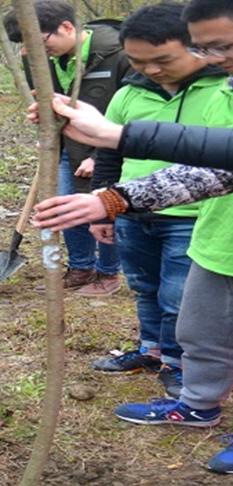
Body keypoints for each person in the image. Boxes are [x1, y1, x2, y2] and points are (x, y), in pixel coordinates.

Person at [31, 0, 233, 475]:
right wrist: (112, 201)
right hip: (221, 239)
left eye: (222, 45)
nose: (216, 57)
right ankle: (196, 404)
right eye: (207, 47)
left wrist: (117, 135)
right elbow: (218, 170)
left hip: (197, 227)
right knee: (197, 329)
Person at [87, 2, 227, 399]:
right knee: (145, 287)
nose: (151, 69)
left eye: (162, 59)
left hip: (193, 214)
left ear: (194, 45)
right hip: (134, 210)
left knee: (178, 296)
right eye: (138, 61)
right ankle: (151, 350)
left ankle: (179, 363)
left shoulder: (221, 89)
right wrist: (105, 205)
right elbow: (109, 152)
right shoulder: (130, 91)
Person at [4, 0, 132, 296]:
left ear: (67, 27)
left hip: (111, 147)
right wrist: (48, 135)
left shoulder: (118, 54)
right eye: (25, 44)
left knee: (106, 206)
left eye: (39, 40)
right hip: (66, 146)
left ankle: (109, 274)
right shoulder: (38, 56)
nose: (33, 49)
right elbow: (48, 103)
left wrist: (99, 155)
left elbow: (135, 113)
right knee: (65, 206)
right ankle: (81, 267)